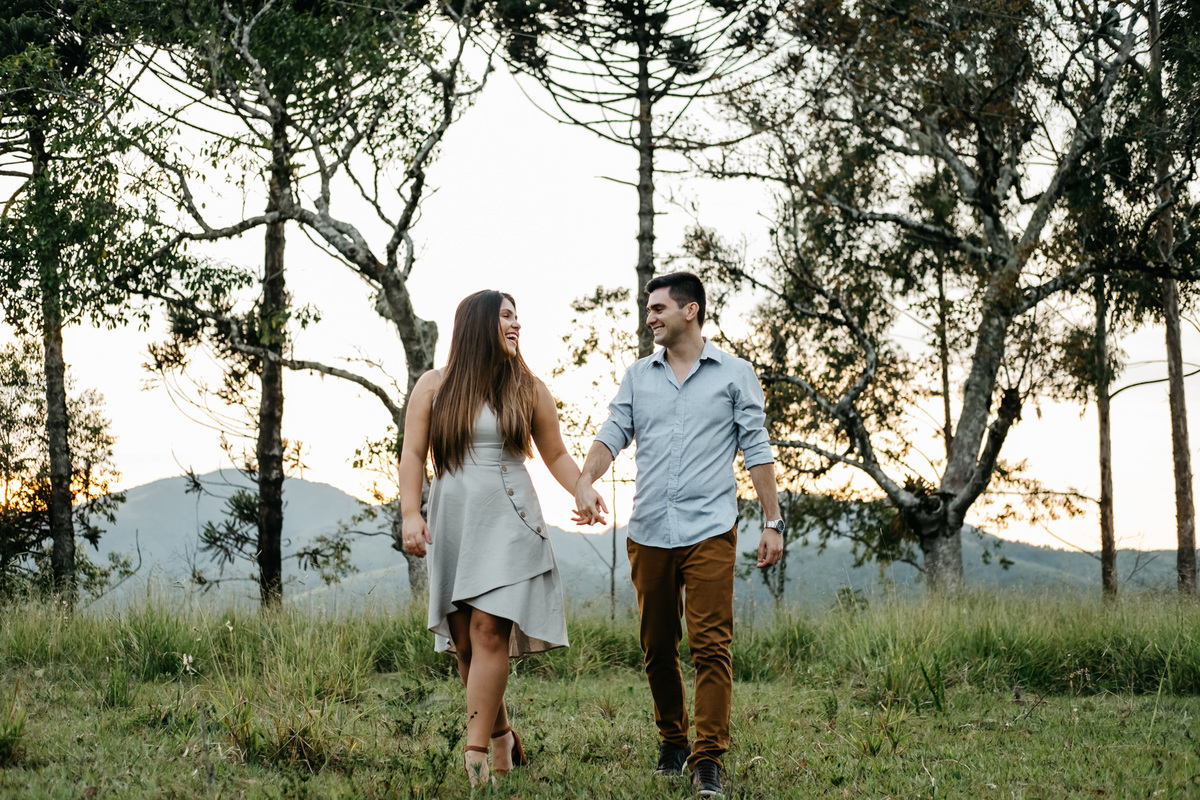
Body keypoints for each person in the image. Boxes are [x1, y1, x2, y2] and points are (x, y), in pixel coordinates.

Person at [574, 271, 782, 798]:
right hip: (648, 533)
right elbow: (612, 433)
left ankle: (707, 757)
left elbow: (756, 450)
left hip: (711, 530)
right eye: (648, 309)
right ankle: (672, 739)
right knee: (656, 647)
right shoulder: (639, 376)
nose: (650, 317)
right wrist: (584, 479)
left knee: (711, 647)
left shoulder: (735, 374)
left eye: (659, 308)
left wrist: (772, 521)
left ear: (690, 311)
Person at [398, 289, 599, 788]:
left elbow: (554, 454)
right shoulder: (434, 385)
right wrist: (409, 514)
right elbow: (412, 455)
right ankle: (504, 732)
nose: (516, 325)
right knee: (465, 641)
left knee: (489, 630)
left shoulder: (528, 387)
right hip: (454, 519)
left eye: (518, 317)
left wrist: (583, 488)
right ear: (478, 324)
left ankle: (475, 755)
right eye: (506, 317)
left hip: (510, 517)